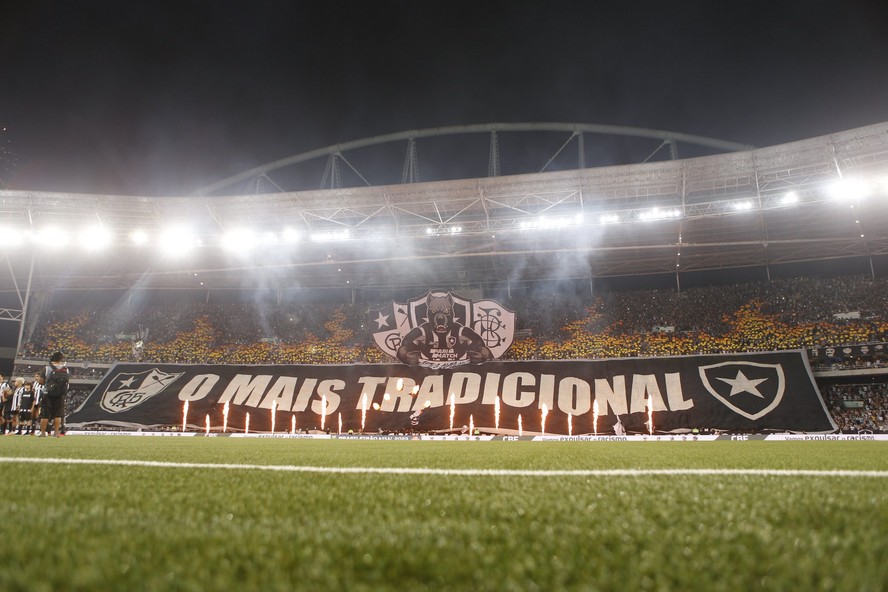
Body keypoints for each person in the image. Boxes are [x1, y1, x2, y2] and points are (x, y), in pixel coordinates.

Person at [38, 351, 69, 438]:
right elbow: (67, 382)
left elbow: (41, 381)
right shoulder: (66, 369)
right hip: (60, 394)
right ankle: (56, 433)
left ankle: (43, 433)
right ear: (61, 359)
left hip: (47, 393)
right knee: (58, 414)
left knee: (45, 414)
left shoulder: (47, 368)